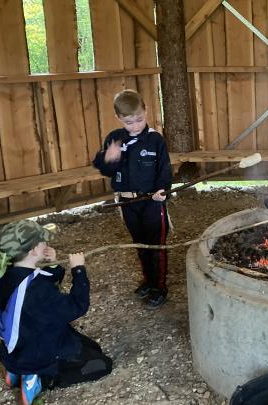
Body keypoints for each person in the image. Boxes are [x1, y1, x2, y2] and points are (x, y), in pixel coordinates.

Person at [0, 220, 112, 405]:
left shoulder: (6, 273)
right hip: (38, 352)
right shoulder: (36, 289)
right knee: (102, 365)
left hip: (17, 347)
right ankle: (39, 379)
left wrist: (53, 264)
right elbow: (77, 306)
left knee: (93, 348)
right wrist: (79, 270)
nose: (46, 244)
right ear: (33, 250)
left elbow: (43, 284)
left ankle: (14, 371)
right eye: (43, 241)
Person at [93, 89, 172, 309]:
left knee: (156, 246)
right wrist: (107, 159)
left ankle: (160, 288)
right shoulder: (115, 139)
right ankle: (148, 281)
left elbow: (164, 170)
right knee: (140, 244)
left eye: (139, 119)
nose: (136, 126)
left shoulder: (155, 140)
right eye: (129, 122)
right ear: (119, 118)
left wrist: (162, 190)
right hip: (127, 203)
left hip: (152, 203)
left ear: (146, 111)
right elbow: (106, 169)